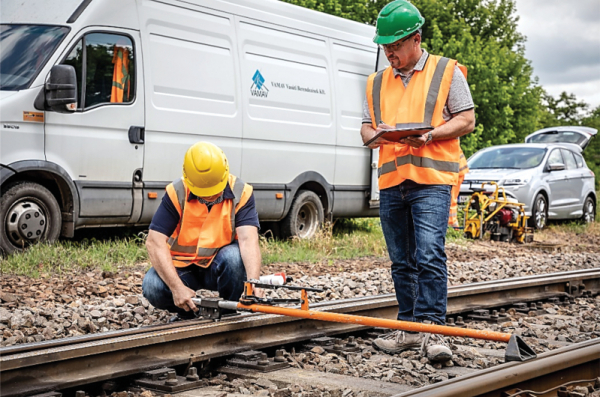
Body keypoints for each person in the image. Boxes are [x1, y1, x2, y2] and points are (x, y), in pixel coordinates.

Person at [361, 0, 475, 361]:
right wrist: (374, 135)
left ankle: (434, 332)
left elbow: (467, 119)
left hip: (432, 180)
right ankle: (410, 329)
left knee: (428, 255)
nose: (389, 53)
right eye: (385, 47)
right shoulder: (376, 82)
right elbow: (366, 126)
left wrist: (432, 134)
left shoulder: (446, 72)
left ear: (416, 39)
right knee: (401, 260)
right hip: (393, 181)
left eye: (395, 46)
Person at [142, 142, 263, 321]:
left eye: (214, 190)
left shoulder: (241, 192)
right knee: (152, 285)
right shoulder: (177, 192)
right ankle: (187, 311)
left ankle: (229, 314)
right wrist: (176, 287)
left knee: (234, 257)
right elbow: (154, 242)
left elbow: (248, 240)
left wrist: (253, 283)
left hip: (219, 267)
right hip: (183, 269)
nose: (210, 196)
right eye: (204, 192)